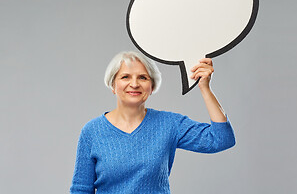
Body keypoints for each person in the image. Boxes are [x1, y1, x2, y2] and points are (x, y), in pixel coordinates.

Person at [70, 51, 235, 194]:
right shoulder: (92, 131)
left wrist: (205, 88)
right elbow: (81, 190)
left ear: (152, 86)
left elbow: (221, 139)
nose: (134, 84)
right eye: (125, 77)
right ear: (113, 85)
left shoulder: (169, 124)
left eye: (142, 77)